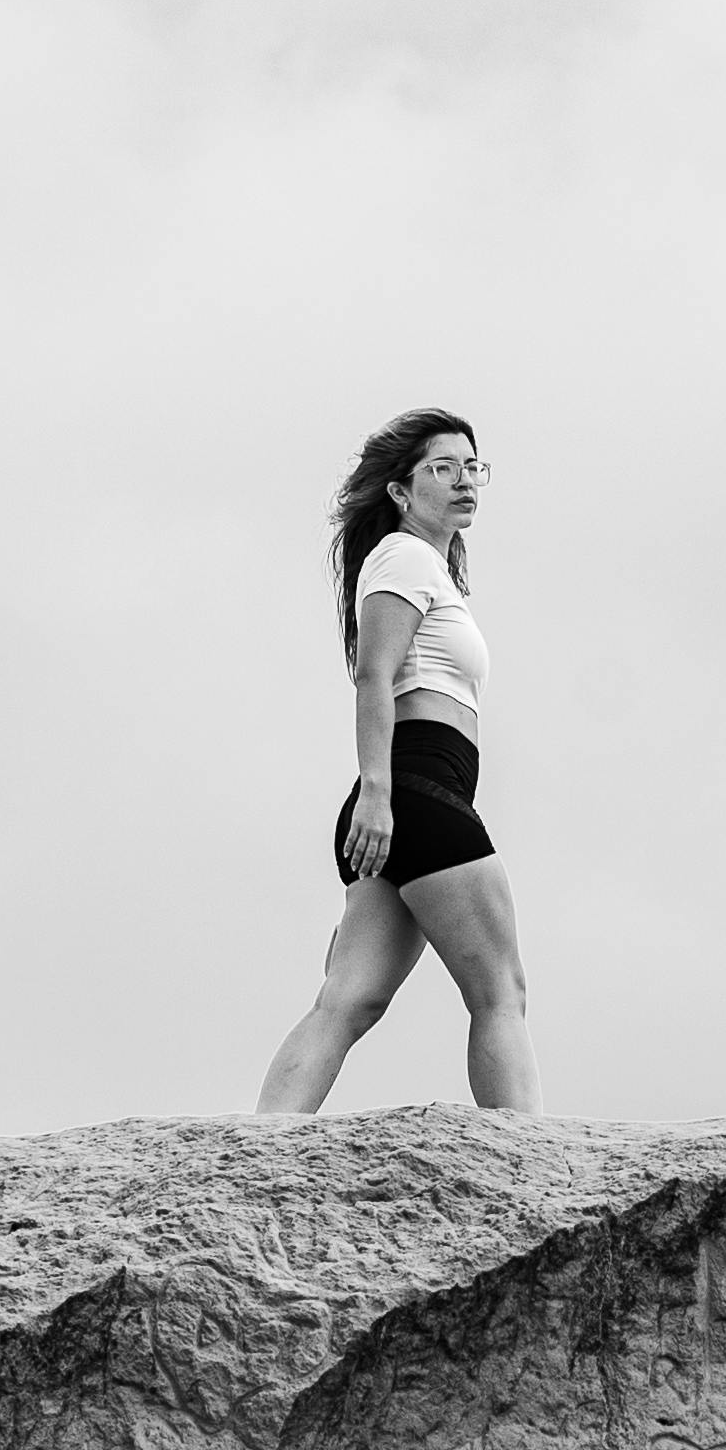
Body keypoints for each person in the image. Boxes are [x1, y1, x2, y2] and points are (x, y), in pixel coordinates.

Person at [254, 407, 536, 1113]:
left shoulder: (426, 567)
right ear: (401, 491)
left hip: (408, 798)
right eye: (443, 467)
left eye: (472, 467)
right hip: (414, 791)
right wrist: (377, 796)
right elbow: (374, 675)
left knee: (348, 1000)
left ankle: (265, 1140)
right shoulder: (404, 558)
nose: (464, 480)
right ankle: (532, 1157)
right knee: (500, 992)